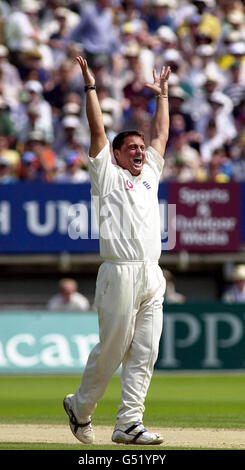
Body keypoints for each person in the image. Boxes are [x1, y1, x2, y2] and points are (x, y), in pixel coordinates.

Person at [63, 55, 170, 445]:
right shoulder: (106, 174)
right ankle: (80, 407)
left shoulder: (150, 176)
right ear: (118, 153)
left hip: (151, 273)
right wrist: (90, 86)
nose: (141, 152)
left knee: (145, 351)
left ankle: (128, 424)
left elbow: (161, 137)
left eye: (142, 148)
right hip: (119, 271)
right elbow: (96, 129)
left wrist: (164, 97)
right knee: (112, 351)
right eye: (133, 148)